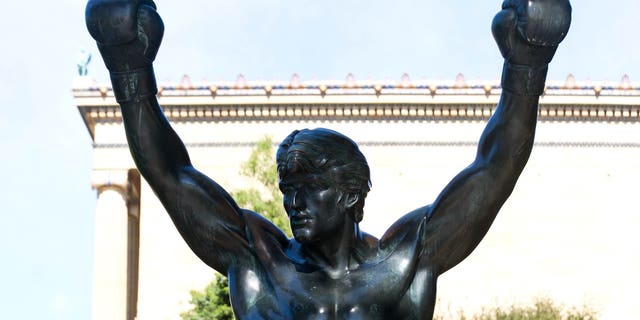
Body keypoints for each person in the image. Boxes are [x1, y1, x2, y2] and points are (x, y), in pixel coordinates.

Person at [86, 0, 571, 318]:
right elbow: (169, 174)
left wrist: (526, 67)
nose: (292, 201)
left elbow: (496, 169)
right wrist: (128, 65)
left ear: (350, 194)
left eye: (307, 186)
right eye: (287, 188)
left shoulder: (403, 264)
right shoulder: (260, 262)